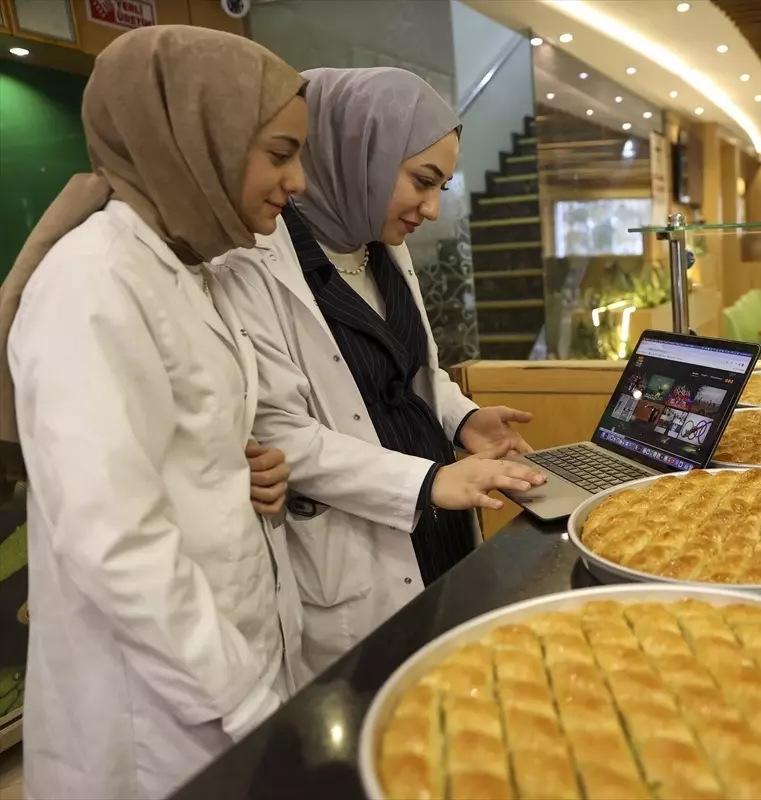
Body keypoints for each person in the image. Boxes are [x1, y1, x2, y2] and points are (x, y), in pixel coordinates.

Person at [0, 26, 310, 799]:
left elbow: (172, 449)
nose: (298, 181)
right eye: (279, 153)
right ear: (193, 135)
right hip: (154, 716)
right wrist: (241, 697)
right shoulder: (94, 284)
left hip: (219, 667)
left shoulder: (186, 263)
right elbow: (114, 539)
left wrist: (236, 469)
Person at [217, 67, 543, 672]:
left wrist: (463, 416)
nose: (432, 207)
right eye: (422, 181)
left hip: (440, 519)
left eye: (443, 185)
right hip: (361, 548)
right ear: (354, 152)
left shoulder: (383, 247)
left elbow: (416, 371)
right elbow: (278, 430)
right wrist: (423, 484)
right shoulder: (253, 262)